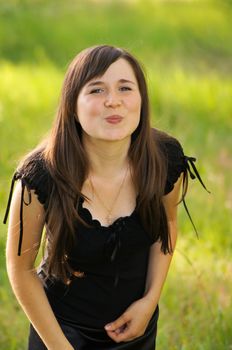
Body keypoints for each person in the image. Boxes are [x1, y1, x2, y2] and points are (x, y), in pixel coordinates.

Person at [3, 45, 208, 350]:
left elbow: (166, 226)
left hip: (136, 327)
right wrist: (59, 346)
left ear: (141, 100)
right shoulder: (40, 177)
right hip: (60, 332)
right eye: (97, 90)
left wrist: (150, 302)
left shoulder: (164, 159)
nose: (113, 101)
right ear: (72, 105)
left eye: (125, 88)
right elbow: (21, 269)